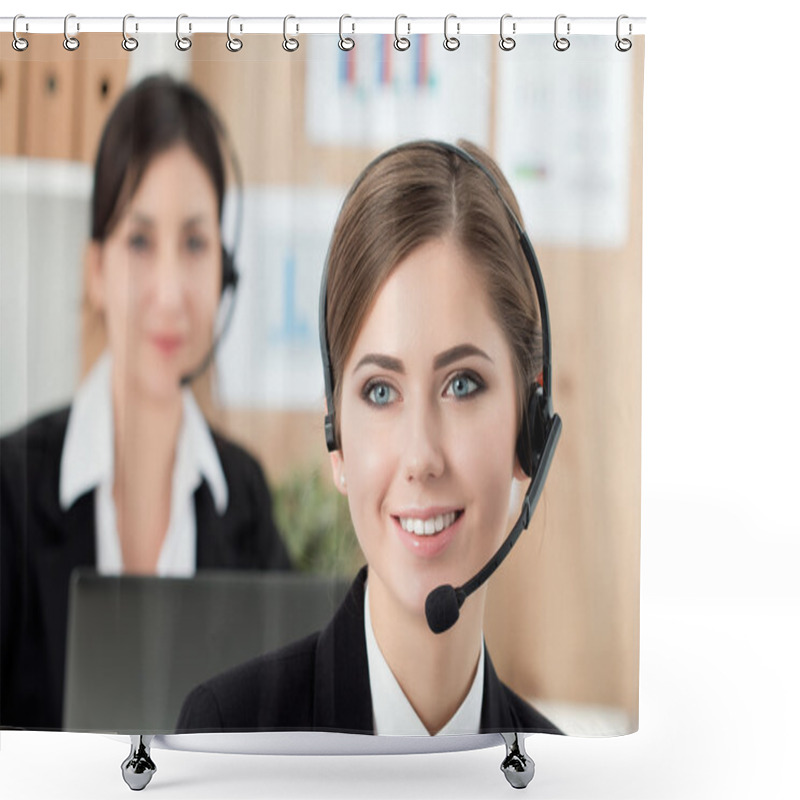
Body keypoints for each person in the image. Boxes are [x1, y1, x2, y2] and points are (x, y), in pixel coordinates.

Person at [176, 140, 560, 736]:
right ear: (336, 437)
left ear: (529, 424)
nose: (421, 457)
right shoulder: (230, 736)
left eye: (462, 384)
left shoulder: (561, 773)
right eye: (380, 391)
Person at [0, 75, 291, 731]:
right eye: (139, 241)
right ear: (96, 270)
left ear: (225, 271)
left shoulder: (243, 498)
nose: (169, 291)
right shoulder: (10, 491)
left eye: (194, 244)